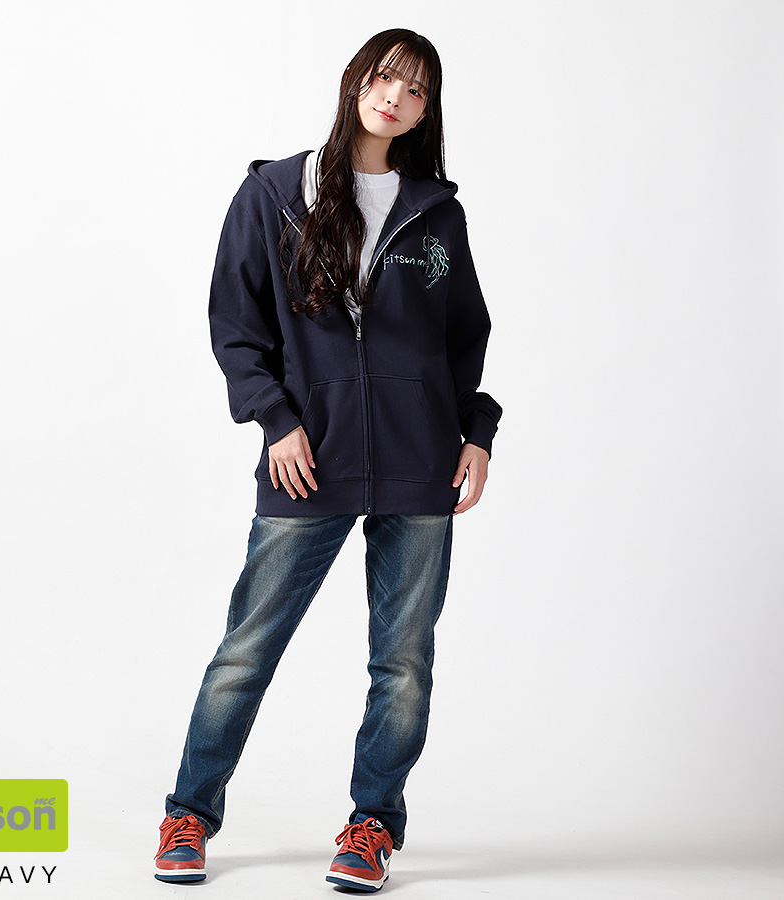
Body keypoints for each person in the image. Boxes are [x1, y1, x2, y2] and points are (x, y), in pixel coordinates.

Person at [153, 28, 502, 891]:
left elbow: (464, 335)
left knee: (404, 662)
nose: (396, 98)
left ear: (427, 110)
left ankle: (371, 825)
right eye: (385, 78)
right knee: (248, 649)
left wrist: (475, 432)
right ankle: (189, 812)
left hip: (421, 461)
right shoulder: (277, 193)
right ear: (356, 82)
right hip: (308, 458)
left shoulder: (436, 212)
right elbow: (236, 325)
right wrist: (276, 421)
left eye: (417, 90)